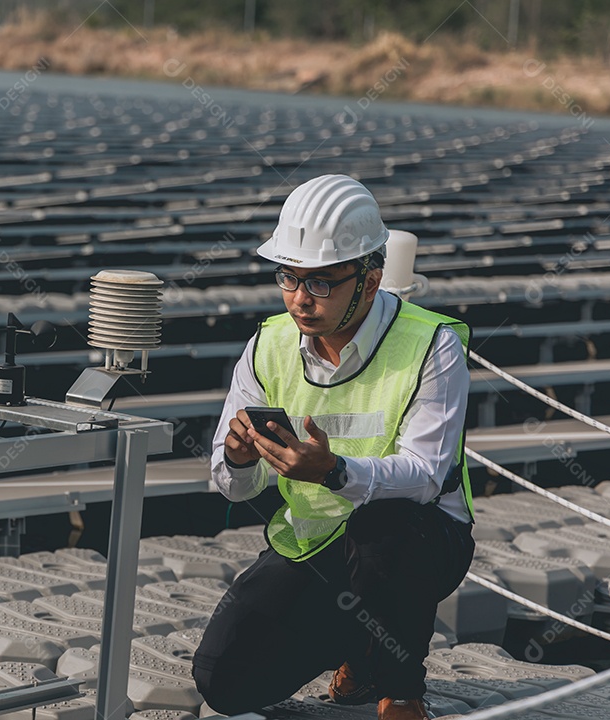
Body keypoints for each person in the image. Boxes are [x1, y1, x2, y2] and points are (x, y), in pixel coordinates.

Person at [192, 175, 475, 720]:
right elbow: (229, 483)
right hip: (316, 544)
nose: (300, 298)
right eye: (289, 278)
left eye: (321, 283)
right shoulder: (267, 344)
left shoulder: (431, 345)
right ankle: (358, 641)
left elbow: (425, 475)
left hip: (418, 541)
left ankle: (400, 689)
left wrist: (334, 471)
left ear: (370, 282)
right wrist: (238, 458)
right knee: (224, 681)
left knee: (381, 526)